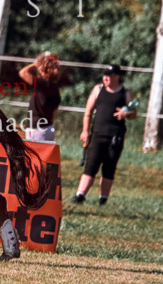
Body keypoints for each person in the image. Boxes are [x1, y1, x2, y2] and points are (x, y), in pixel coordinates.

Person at [74, 64, 136, 204]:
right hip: (97, 135)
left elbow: (134, 114)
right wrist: (85, 130)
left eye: (109, 75)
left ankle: (103, 199)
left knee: (109, 168)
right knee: (90, 166)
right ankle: (80, 195)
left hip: (115, 137)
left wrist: (126, 114)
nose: (106, 78)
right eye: (104, 75)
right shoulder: (98, 89)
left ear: (117, 76)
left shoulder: (126, 93)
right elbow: (88, 112)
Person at [19, 51, 67, 142]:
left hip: (37, 129)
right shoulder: (55, 88)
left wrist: (35, 64)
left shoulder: (42, 84)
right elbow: (54, 114)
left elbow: (23, 73)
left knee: (33, 156)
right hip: (48, 128)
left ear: (43, 71)